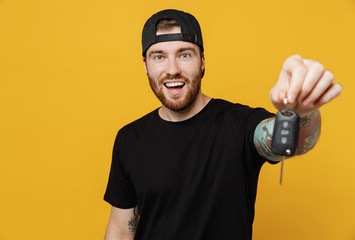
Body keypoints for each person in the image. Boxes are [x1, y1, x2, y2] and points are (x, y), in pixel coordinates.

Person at [103, 9, 342, 240]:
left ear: (202, 61)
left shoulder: (239, 123)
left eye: (185, 54)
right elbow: (121, 232)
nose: (172, 69)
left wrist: (301, 112)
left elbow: (290, 141)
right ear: (146, 65)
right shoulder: (129, 138)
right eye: (159, 57)